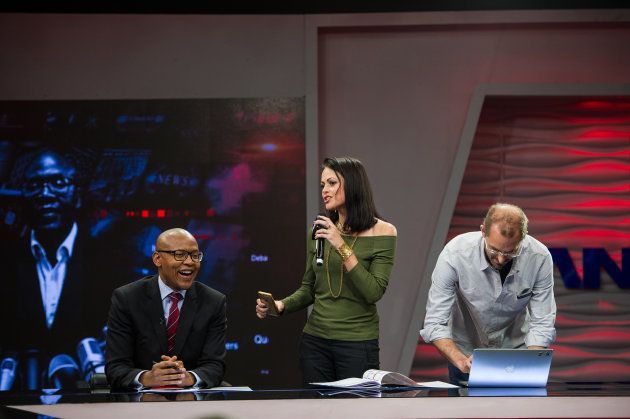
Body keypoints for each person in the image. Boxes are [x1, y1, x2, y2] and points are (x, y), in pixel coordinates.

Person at [255, 157, 397, 386]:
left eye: (332, 183)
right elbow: (309, 289)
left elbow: (373, 292)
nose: (325, 191)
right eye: (323, 185)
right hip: (315, 342)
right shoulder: (319, 230)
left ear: (351, 185)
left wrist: (340, 244)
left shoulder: (384, 231)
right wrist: (281, 306)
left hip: (357, 344)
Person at [3, 149, 118, 389]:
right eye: (34, 185)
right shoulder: (6, 261)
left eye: (57, 183)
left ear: (77, 193)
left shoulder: (113, 261)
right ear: (22, 195)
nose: (45, 194)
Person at [420, 203, 556, 385]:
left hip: (516, 353)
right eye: (494, 250)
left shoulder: (539, 258)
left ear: (523, 238)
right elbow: (435, 322)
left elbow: (542, 321)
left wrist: (530, 363)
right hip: (465, 352)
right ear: (483, 230)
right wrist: (460, 361)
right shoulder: (454, 254)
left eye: (510, 253)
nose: (501, 259)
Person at [105, 228, 226, 390]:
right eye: (180, 254)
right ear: (157, 258)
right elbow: (116, 367)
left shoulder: (214, 301)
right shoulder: (127, 298)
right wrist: (147, 378)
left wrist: (187, 377)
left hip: (192, 400)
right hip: (139, 404)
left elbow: (215, 366)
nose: (190, 262)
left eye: (195, 255)